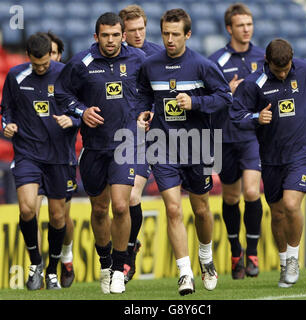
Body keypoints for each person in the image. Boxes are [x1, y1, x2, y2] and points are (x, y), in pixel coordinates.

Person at [136, 8, 232, 295]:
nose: (169, 39)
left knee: (201, 210)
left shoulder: (202, 66)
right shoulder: (151, 65)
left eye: (175, 34)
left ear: (187, 35)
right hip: (162, 146)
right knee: (173, 208)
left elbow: (225, 97)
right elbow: (142, 94)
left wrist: (196, 103)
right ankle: (185, 273)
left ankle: (206, 258)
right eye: (165, 33)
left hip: (198, 145)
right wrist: (144, 113)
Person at [230, 38, 306, 287]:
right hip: (271, 157)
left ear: (291, 60)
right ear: (267, 63)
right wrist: (257, 116)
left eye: (287, 69)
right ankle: (283, 262)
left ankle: (293, 260)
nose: (283, 73)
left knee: (291, 205)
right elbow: (236, 114)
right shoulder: (255, 83)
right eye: (278, 70)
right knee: (277, 214)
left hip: (302, 151)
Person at [55, 12, 146, 294]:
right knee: (99, 209)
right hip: (94, 147)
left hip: (126, 143)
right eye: (105, 35)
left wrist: (147, 112)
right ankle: (105, 262)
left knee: (121, 206)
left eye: (116, 35)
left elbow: (151, 93)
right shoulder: (82, 63)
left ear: (123, 35)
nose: (111, 40)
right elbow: (61, 94)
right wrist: (82, 111)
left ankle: (119, 269)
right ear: (96, 37)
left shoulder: (139, 60)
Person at [1, 32, 76, 290]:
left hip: (58, 156)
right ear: (28, 57)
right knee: (27, 209)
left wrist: (72, 120)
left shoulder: (65, 74)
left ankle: (53, 270)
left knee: (58, 217)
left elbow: (80, 108)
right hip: (28, 153)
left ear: (51, 56)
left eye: (45, 63)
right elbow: (6, 109)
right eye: (37, 64)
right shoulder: (16, 76)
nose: (42, 68)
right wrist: (6, 125)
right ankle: (35, 263)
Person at [208, 3, 265, 279]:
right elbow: (208, 100)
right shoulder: (215, 61)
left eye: (250, 24)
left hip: (251, 135)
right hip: (226, 136)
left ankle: (252, 254)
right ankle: (235, 252)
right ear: (229, 28)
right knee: (231, 197)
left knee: (252, 192)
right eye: (241, 25)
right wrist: (228, 93)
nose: (246, 29)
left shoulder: (264, 57)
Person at [118, 4, 163, 283]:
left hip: (148, 136)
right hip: (118, 135)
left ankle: (129, 252)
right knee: (116, 204)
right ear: (121, 32)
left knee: (133, 196)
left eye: (141, 29)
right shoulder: (109, 58)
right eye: (132, 30)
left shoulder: (159, 54)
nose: (137, 35)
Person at [32, 31, 77, 288]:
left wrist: (71, 120)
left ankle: (66, 256)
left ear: (58, 55)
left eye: (54, 53)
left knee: (61, 218)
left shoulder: (67, 80)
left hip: (63, 158)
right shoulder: (30, 80)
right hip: (36, 158)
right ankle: (38, 270)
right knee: (32, 212)